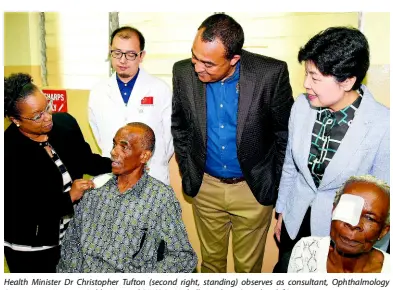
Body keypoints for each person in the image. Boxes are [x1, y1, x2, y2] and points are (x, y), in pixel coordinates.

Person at [171, 13, 293, 273]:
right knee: (211, 265)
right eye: (195, 56)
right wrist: (188, 169)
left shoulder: (270, 74)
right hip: (206, 188)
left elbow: (284, 135)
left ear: (233, 59)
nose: (197, 67)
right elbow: (180, 126)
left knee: (247, 270)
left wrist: (273, 182)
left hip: (251, 189)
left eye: (208, 63)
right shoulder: (182, 72)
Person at [274, 27, 390, 272]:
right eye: (306, 74)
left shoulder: (382, 124)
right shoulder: (302, 107)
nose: (306, 84)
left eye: (315, 78)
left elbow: (383, 201)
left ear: (347, 81)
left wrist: (376, 253)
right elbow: (290, 167)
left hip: (344, 234)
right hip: (296, 220)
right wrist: (282, 212)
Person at [4, 73, 112, 273]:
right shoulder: (9, 152)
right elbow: (23, 210)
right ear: (16, 120)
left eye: (47, 106)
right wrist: (69, 197)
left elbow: (86, 160)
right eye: (37, 116)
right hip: (32, 246)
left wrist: (118, 165)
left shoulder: (64, 124)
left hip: (69, 234)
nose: (48, 117)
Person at [57, 122, 197, 273]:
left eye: (124, 147)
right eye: (114, 144)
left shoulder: (160, 198)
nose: (113, 152)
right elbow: (71, 246)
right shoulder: (94, 191)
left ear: (144, 156)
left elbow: (183, 257)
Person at [88, 26, 173, 185]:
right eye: (117, 53)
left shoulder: (160, 89)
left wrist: (147, 162)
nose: (122, 60)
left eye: (131, 54)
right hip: (114, 176)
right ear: (110, 51)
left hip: (152, 175)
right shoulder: (98, 92)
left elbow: (169, 138)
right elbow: (100, 136)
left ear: (142, 56)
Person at [288, 175, 390, 273]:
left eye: (369, 218)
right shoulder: (306, 250)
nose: (353, 224)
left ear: (384, 231)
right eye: (347, 210)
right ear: (333, 211)